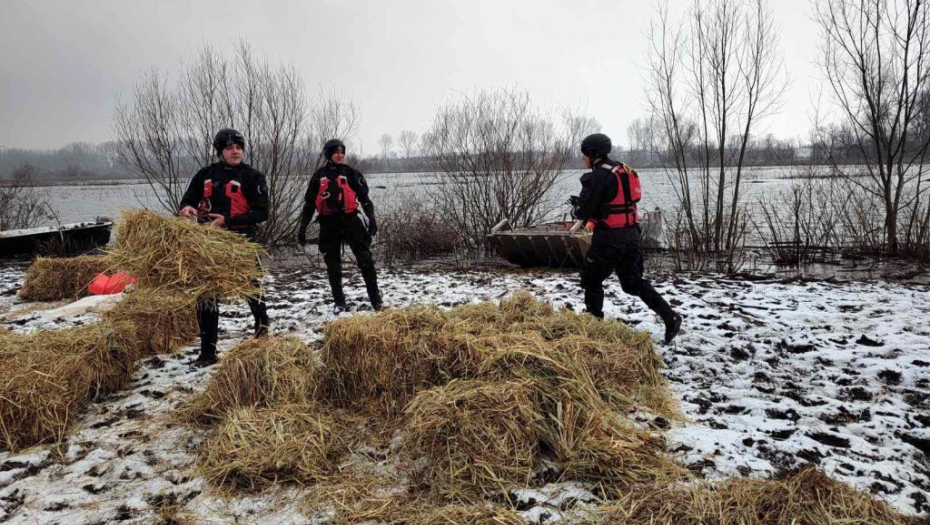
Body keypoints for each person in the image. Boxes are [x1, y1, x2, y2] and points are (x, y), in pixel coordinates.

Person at [571, 133, 682, 344]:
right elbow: (617, 200)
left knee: (591, 279)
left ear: (593, 153)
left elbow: (583, 211)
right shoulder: (624, 169)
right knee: (632, 283)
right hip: (631, 236)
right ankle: (671, 317)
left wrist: (577, 205)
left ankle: (593, 327)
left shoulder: (596, 176)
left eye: (584, 154)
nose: (583, 158)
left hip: (609, 239)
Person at [178, 128, 271, 367]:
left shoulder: (253, 177)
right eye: (230, 147)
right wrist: (186, 208)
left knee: (252, 287)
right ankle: (207, 353)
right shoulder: (205, 174)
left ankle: (262, 327)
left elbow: (262, 212)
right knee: (206, 294)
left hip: (241, 241)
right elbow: (188, 200)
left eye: (239, 147)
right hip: (209, 243)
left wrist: (227, 221)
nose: (235, 151)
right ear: (220, 151)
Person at [298, 139, 383, 313]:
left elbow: (365, 199)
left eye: (342, 152)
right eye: (336, 152)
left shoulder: (352, 173)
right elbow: (309, 205)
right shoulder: (318, 176)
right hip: (328, 223)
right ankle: (339, 302)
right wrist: (302, 227)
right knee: (333, 266)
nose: (339, 155)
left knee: (366, 260)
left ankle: (376, 300)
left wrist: (372, 218)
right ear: (328, 154)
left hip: (351, 220)